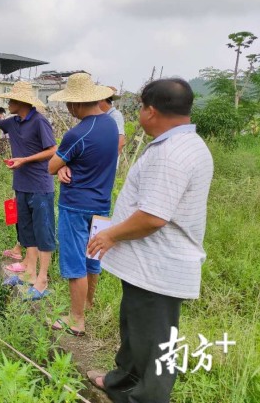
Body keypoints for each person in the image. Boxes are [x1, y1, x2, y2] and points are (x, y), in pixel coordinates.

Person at [86, 78, 214, 403]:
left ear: (151, 111)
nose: (140, 114)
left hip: (159, 269)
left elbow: (153, 217)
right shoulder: (185, 144)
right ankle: (119, 382)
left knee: (156, 346)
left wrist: (109, 234)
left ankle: (147, 398)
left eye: (141, 107)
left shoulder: (171, 154)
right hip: (148, 266)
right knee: (135, 331)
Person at [0, 81, 57, 300]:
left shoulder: (39, 122)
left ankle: (42, 279)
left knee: (43, 232)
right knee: (26, 230)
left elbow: (53, 150)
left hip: (40, 186)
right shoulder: (13, 122)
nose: (8, 103)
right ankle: (30, 272)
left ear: (21, 102)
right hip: (21, 185)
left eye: (11, 100)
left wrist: (25, 159)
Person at [46, 73, 118, 336]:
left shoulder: (77, 132)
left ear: (75, 104)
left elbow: (51, 166)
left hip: (76, 205)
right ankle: (87, 303)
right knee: (93, 256)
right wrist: (69, 166)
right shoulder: (111, 125)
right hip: (102, 204)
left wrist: (63, 166)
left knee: (75, 260)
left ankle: (76, 319)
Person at [98, 86, 126, 155]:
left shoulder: (115, 116)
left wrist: (108, 161)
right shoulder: (103, 116)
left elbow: (120, 141)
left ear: (102, 99)